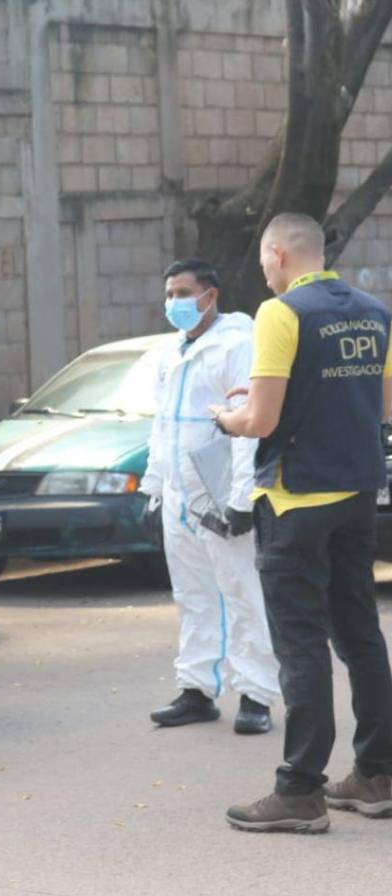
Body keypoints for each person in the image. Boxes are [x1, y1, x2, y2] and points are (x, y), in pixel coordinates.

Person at [212, 213, 392, 834]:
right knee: (361, 634)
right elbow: (384, 401)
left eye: (264, 259)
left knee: (301, 645)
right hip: (357, 492)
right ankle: (376, 774)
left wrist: (224, 416)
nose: (264, 270)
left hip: (296, 500)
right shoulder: (373, 310)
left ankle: (299, 791)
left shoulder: (282, 313)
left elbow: (260, 422)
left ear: (278, 253)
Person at [140, 259, 281, 736]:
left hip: (221, 489)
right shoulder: (171, 352)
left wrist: (242, 500)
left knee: (241, 591)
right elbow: (162, 426)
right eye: (169, 294)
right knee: (193, 595)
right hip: (180, 493)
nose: (174, 303)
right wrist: (153, 488)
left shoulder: (238, 344)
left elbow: (248, 426)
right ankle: (197, 688)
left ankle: (256, 694)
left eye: (183, 292)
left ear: (211, 294)